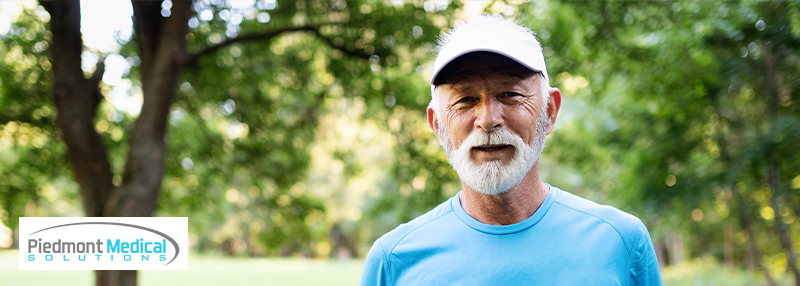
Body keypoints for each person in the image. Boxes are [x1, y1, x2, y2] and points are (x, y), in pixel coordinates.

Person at [360, 15, 662, 285]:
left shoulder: (620, 242)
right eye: (465, 99)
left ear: (550, 112)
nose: (488, 119)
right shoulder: (393, 261)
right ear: (437, 125)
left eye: (510, 94)